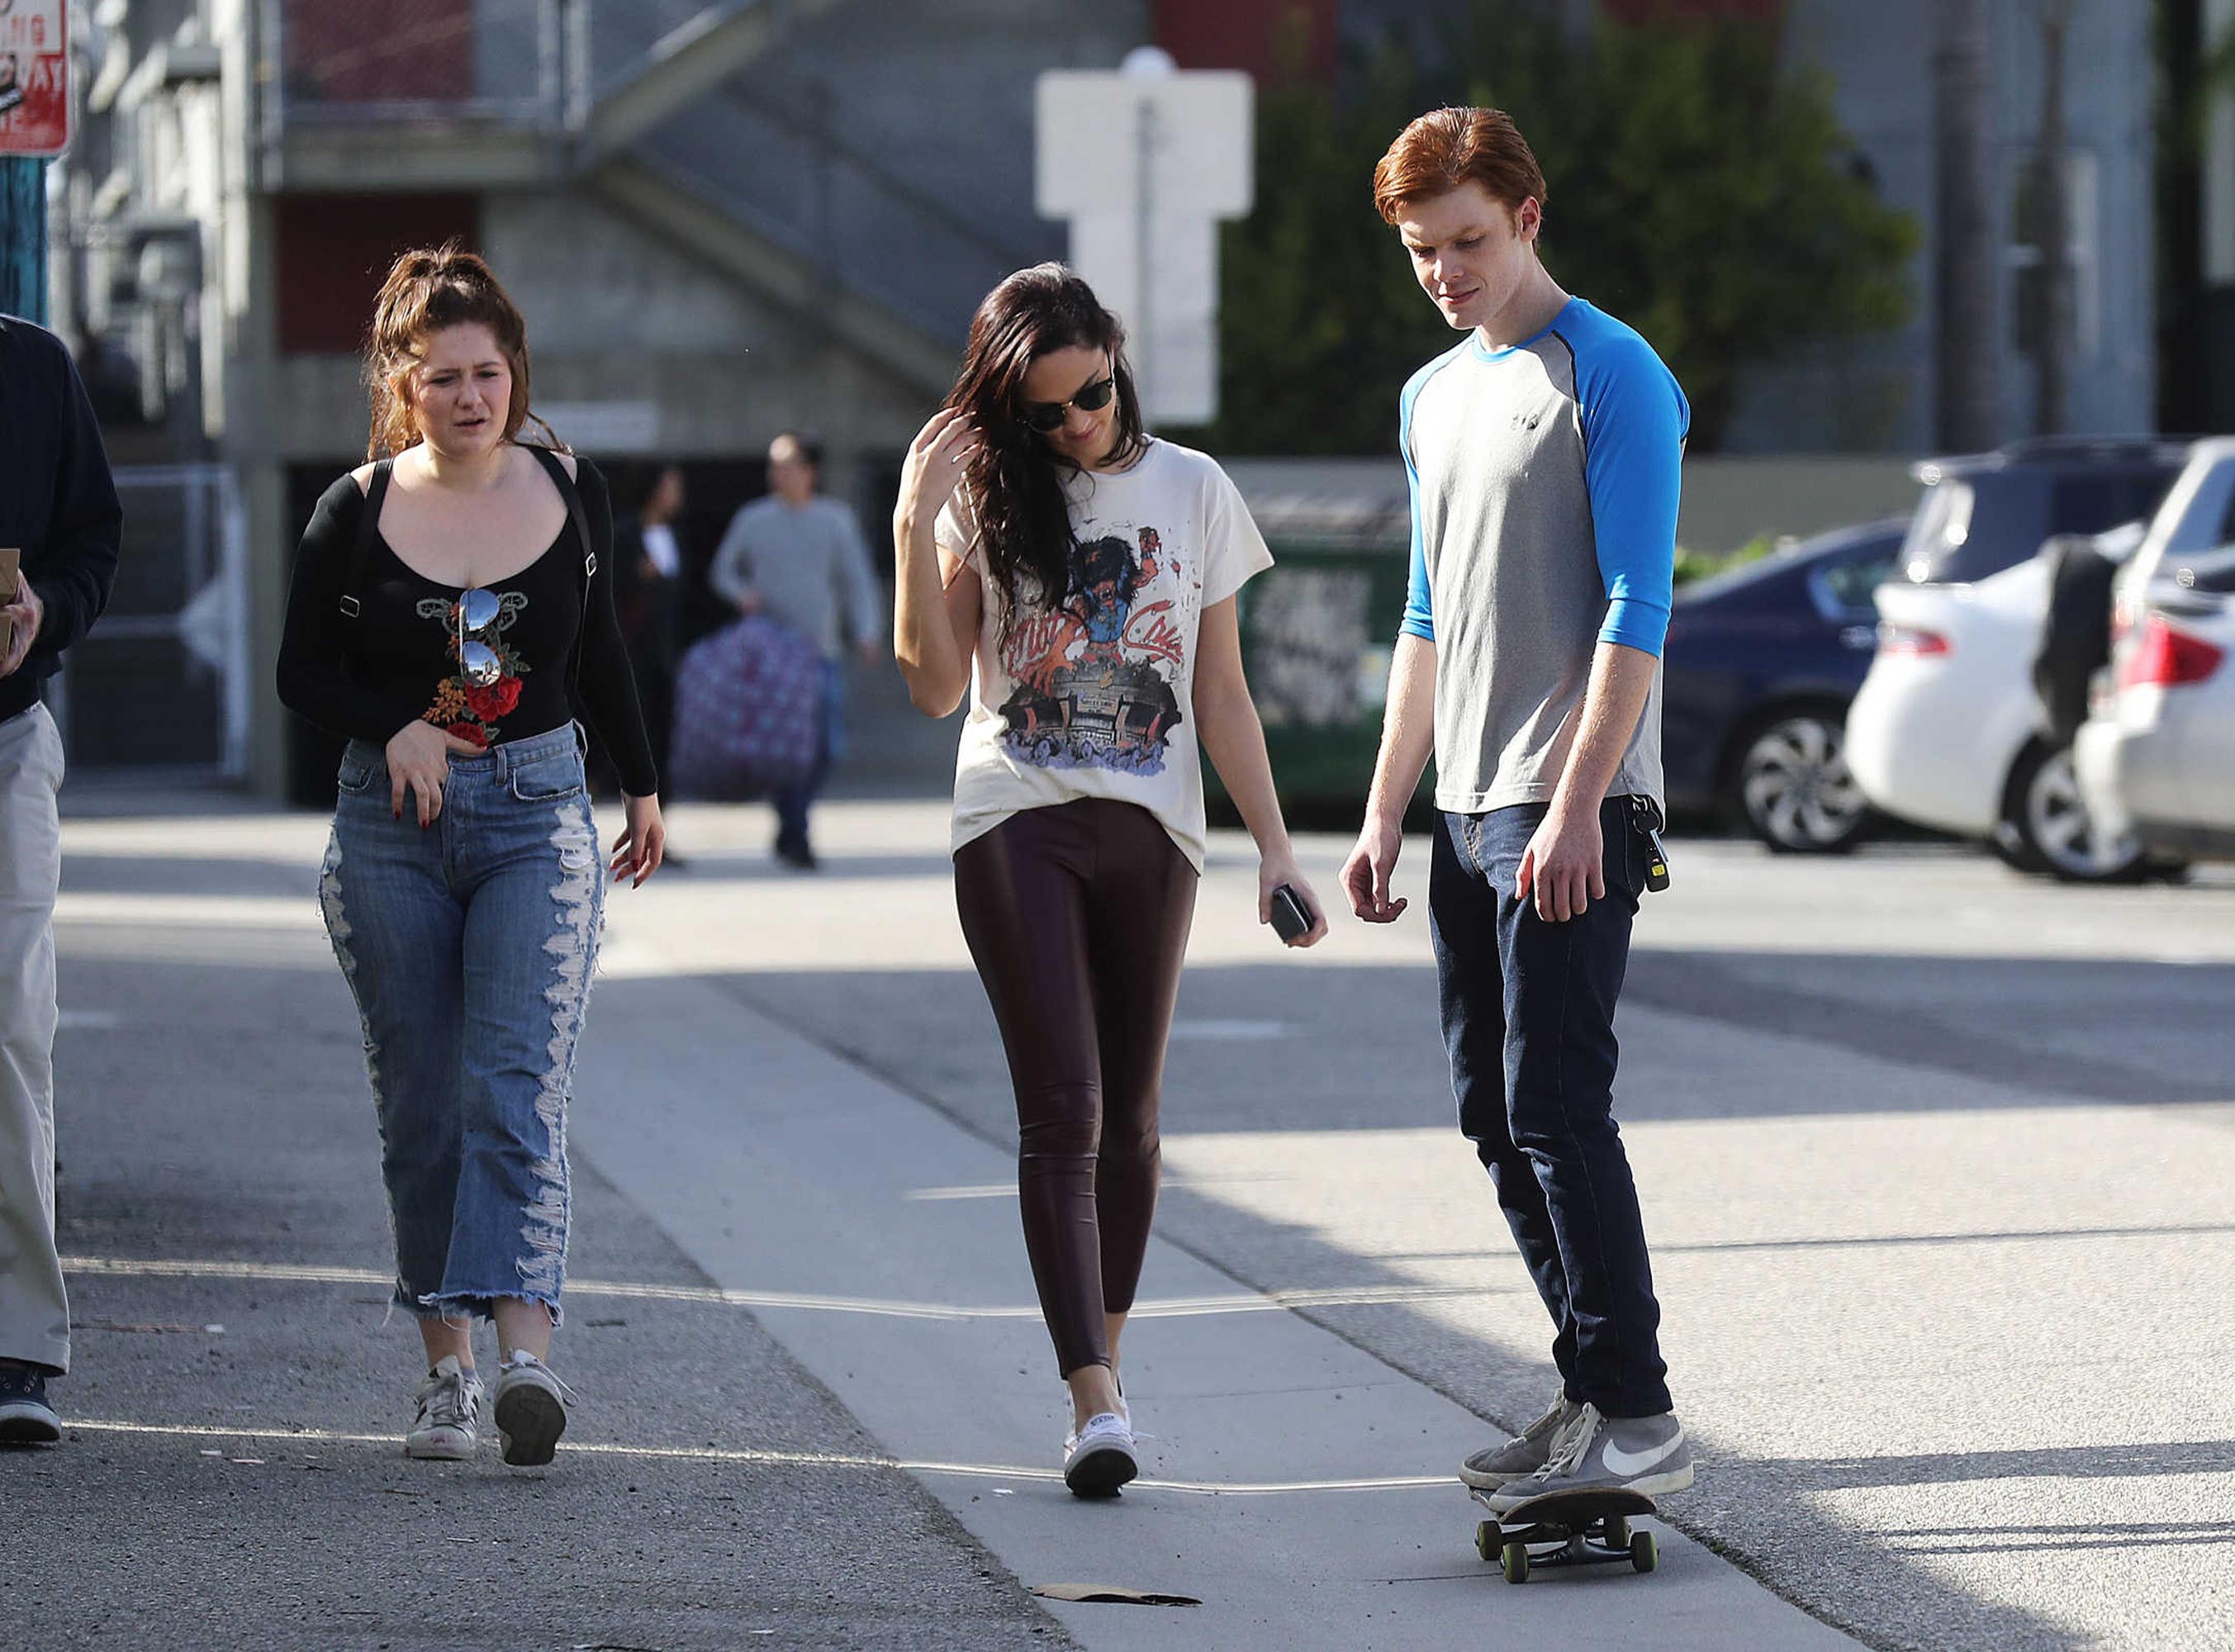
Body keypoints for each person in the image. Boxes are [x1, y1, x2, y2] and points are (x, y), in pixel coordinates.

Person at [891, 263, 1328, 1498]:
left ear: (1117, 362)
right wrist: (913, 520)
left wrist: (1277, 850)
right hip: (1014, 818)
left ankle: (1112, 1378)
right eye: (1047, 414)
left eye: (1094, 392)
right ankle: (1091, 1404)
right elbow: (933, 686)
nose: (1081, 424)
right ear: (1005, 419)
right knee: (1065, 1110)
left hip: (1155, 828)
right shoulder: (983, 494)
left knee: (1133, 1120)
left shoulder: (1192, 490)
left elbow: (1221, 690)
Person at [1342, 108, 1696, 1512]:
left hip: (1570, 804)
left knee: (1561, 1105)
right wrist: (1380, 812)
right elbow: (1427, 617)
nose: (1444, 270)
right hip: (1464, 802)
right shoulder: (1435, 396)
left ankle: (1642, 1413)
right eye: (1423, 250)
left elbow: (1639, 604)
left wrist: (1583, 804)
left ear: (1529, 216)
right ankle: (1593, 1385)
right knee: (1492, 1112)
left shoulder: (1612, 373)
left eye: (1468, 241)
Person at [276, 246, 665, 1467]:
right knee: (423, 1105)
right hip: (392, 830)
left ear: (515, 376)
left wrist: (644, 783)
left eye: (488, 373)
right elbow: (303, 671)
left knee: (516, 1090)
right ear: (404, 384)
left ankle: (527, 1360)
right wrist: (391, 725)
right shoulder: (355, 508)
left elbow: (597, 650)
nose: (469, 396)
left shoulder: (570, 489)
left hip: (537, 815)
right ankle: (445, 1374)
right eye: (442, 377)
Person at [0, 313, 123, 1447]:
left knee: (12, 1030)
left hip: (5, 741)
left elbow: (93, 541)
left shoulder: (32, 367)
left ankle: (16, 1350)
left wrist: (46, 611)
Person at [709, 432, 882, 869]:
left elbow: (857, 580)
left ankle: (790, 820)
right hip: (769, 656)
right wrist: (743, 594)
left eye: (786, 464)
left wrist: (867, 630)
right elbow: (722, 571)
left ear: (810, 471)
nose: (777, 473)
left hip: (820, 652)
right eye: (773, 464)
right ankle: (796, 831)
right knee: (782, 749)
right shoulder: (754, 519)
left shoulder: (835, 520)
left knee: (826, 746)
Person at [614, 463, 689, 856]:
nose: (677, 495)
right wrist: (635, 578)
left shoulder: (675, 536)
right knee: (638, 745)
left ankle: (658, 830)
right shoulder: (626, 534)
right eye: (670, 486)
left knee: (663, 743)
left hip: (664, 659)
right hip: (633, 658)